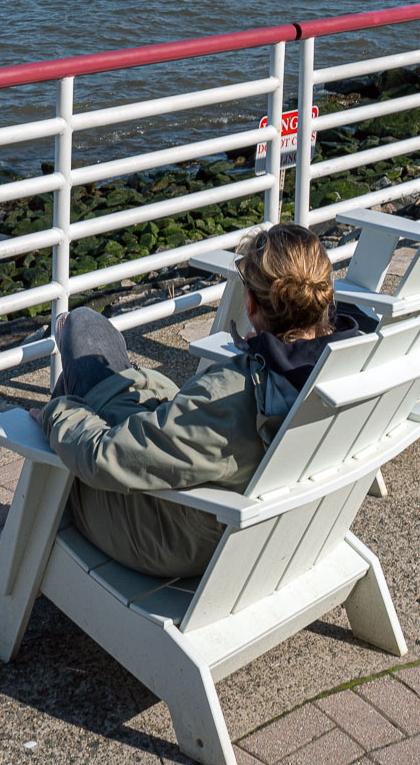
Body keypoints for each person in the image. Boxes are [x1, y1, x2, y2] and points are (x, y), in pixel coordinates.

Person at [38, 223, 375, 578]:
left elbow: (104, 458)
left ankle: (25, 554)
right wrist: (263, 346)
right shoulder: (348, 362)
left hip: (178, 537)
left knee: (82, 334)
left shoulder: (235, 392)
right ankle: (97, 376)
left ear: (249, 301)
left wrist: (57, 412)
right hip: (282, 525)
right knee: (87, 338)